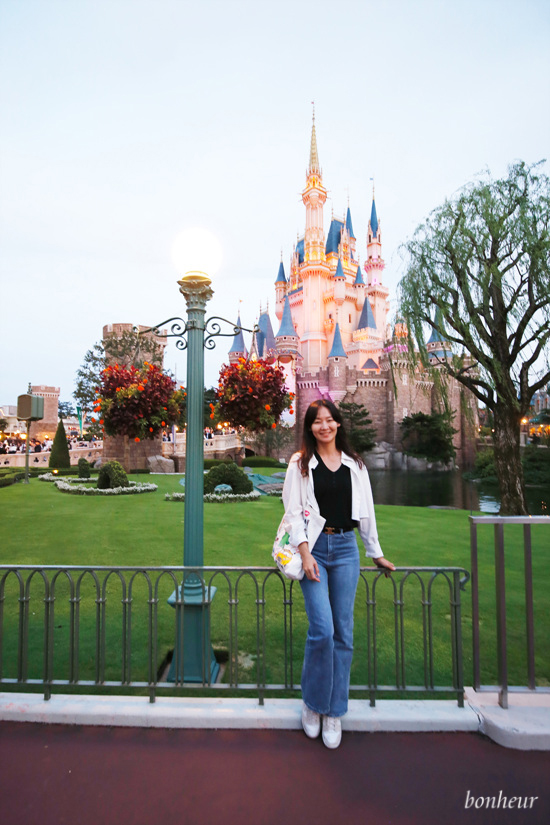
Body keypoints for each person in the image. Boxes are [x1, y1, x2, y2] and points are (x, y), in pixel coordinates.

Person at [282, 399, 395, 749]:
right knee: (322, 630)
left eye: (330, 420)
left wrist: (374, 552)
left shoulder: (355, 465)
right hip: (314, 549)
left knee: (343, 632)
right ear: (310, 427)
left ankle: (334, 710)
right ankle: (313, 704)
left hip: (346, 549)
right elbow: (292, 512)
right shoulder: (300, 464)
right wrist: (304, 552)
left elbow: (367, 512)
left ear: (338, 425)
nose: (325, 426)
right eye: (318, 421)